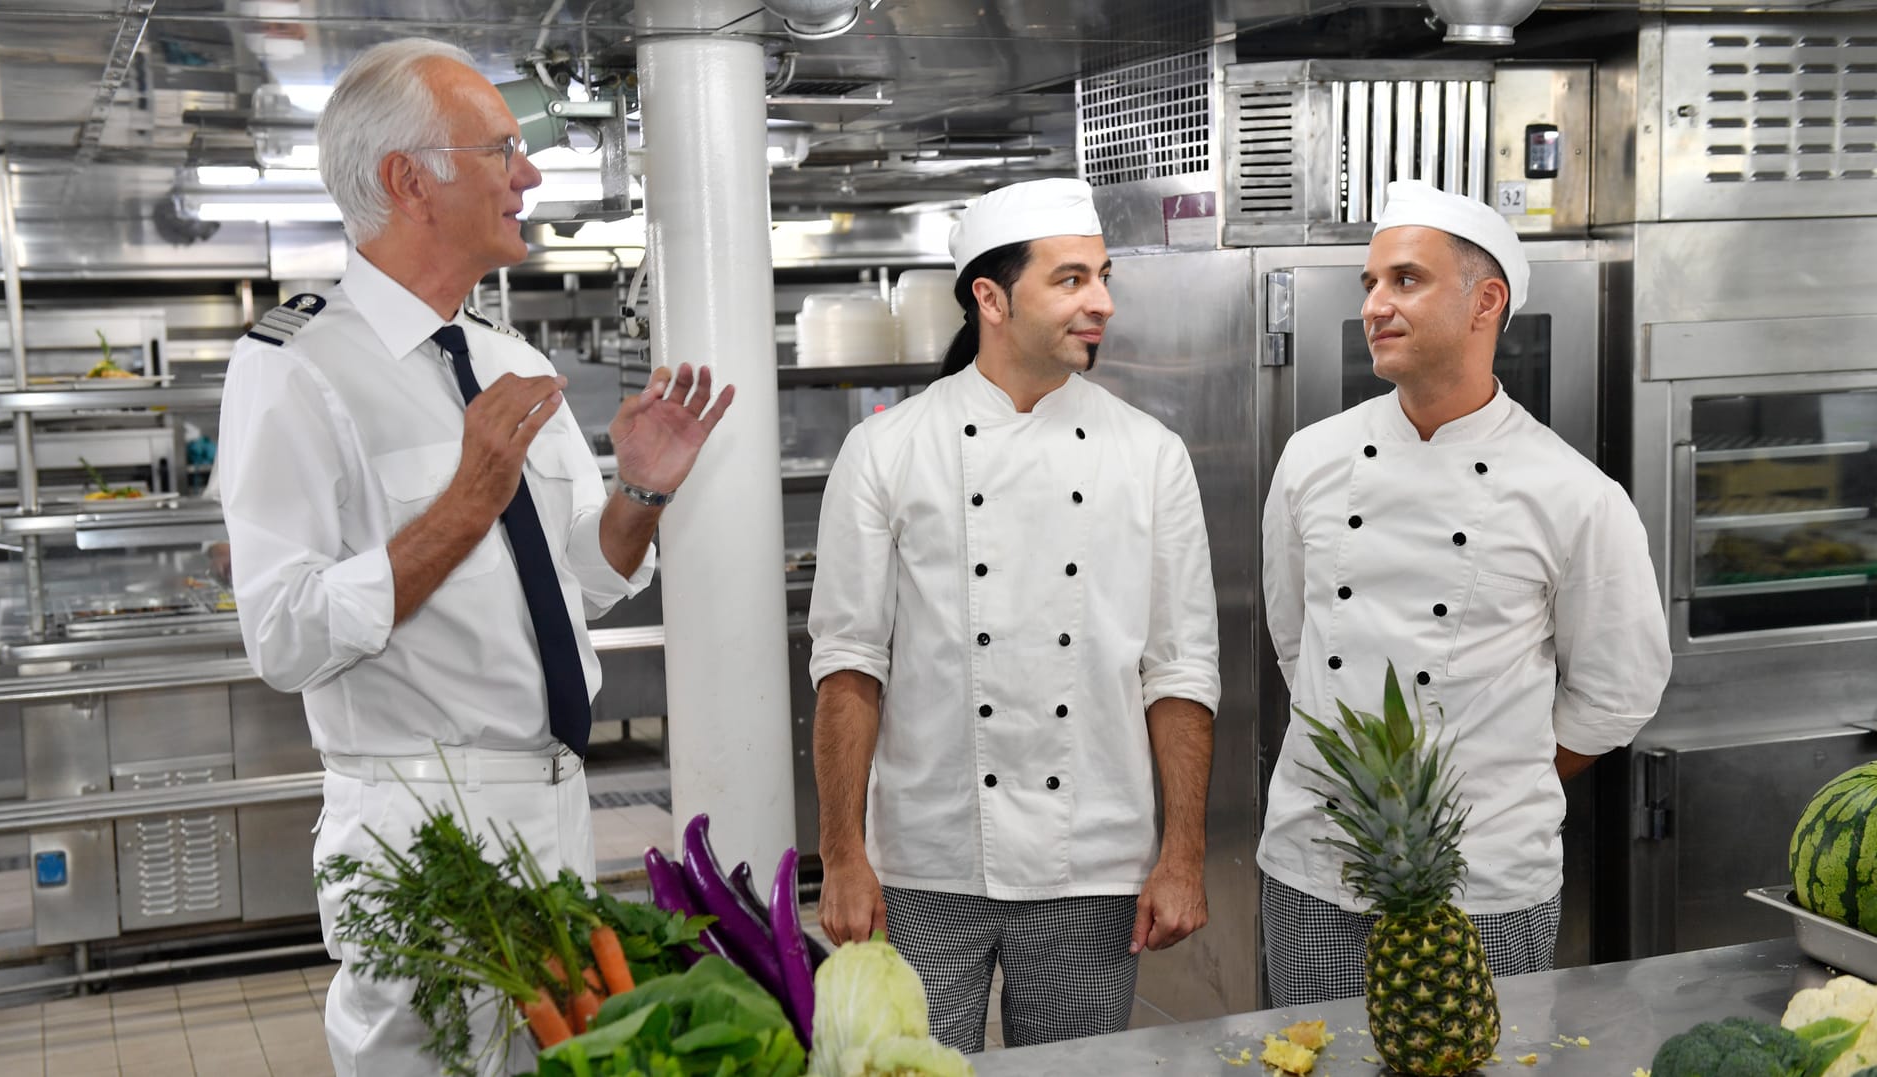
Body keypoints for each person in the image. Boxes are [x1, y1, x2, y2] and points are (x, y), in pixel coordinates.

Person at [214, 38, 731, 1076]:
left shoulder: (509, 360)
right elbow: (282, 636)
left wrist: (642, 490)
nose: (530, 173)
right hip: (417, 819)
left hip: (552, 798)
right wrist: (466, 499)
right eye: (502, 149)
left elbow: (580, 579)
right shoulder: (293, 368)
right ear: (411, 181)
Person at [809, 177, 1220, 1052]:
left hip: (1093, 860)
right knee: (903, 1072)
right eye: (1070, 280)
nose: (1101, 301)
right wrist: (842, 851)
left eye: (1103, 276)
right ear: (990, 299)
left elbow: (1180, 670)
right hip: (924, 857)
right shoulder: (887, 450)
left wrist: (1180, 854)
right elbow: (849, 663)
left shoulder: (1151, 455)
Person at [1257, 180, 1671, 1005]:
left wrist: (1494, 774)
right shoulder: (1311, 458)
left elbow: (1619, 690)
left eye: (1405, 280)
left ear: (1486, 301)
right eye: (1370, 284)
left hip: (1479, 884)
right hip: (1312, 860)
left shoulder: (1572, 493)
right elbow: (1296, 637)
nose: (1376, 304)